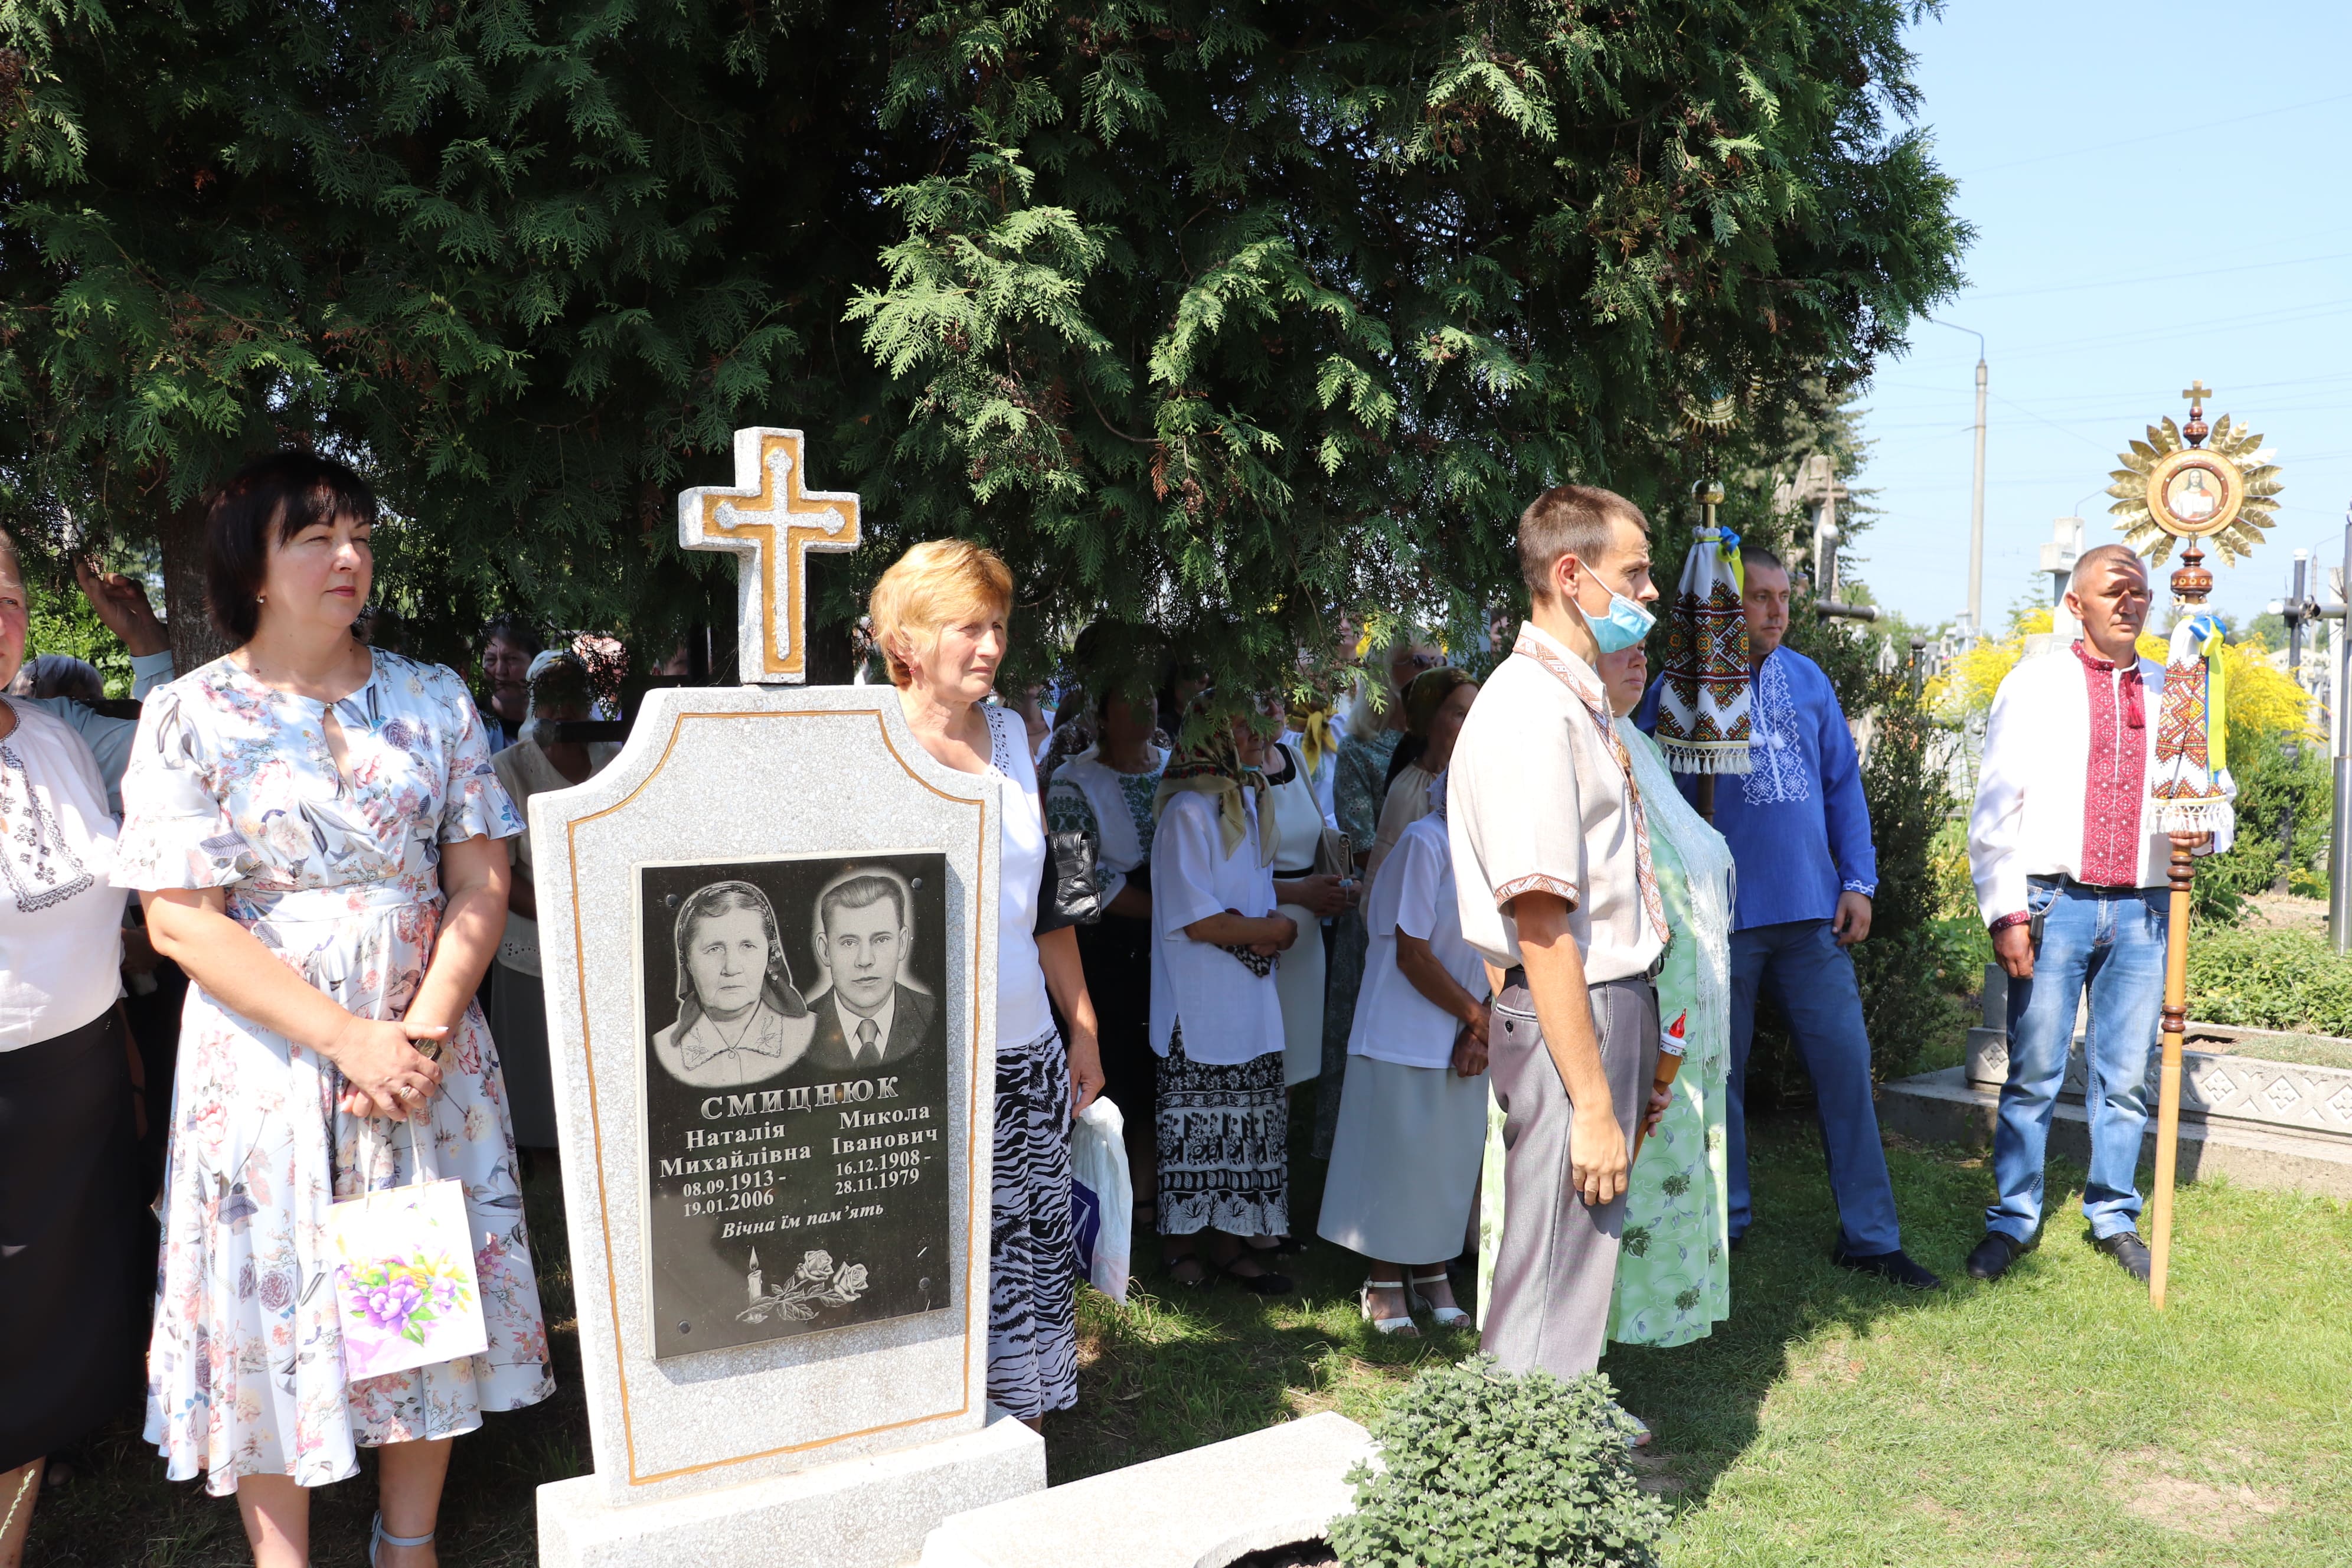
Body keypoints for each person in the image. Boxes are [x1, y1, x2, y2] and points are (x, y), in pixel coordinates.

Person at [117, 452, 552, 1568]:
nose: (348, 556)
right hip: (268, 1063)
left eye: (358, 534)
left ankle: (408, 1544)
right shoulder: (189, 714)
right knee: (271, 1303)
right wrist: (349, 1039)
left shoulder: (433, 697)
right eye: (314, 537)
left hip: (419, 1059)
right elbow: (181, 924)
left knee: (412, 1289)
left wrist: (418, 1035)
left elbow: (480, 877)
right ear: (252, 567)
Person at [1635, 546, 1939, 1289]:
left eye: (1783, 597)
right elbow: (1646, 789)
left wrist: (1858, 881)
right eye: (1759, 597)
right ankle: (1724, 1218)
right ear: (1725, 604)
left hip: (1811, 913)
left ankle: (1871, 1237)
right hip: (1720, 916)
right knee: (1720, 1073)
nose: (1776, 611)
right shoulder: (1681, 686)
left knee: (1845, 1068)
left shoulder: (1808, 680)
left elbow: (1843, 785)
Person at [868, 539, 1106, 1429]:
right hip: (917, 1063)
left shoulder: (1012, 735)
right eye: (968, 627)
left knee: (1028, 1249)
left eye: (998, 626)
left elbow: (1044, 904)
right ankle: (929, 1426)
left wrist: (1082, 1028)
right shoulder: (869, 739)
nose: (992, 645)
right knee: (934, 1250)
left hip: (1025, 1047)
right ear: (906, 639)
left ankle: (1021, 1417)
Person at [1448, 483, 1668, 1383]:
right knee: (1549, 1273)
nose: (1650, 593)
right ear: (1572, 576)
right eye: (1635, 573)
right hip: (1575, 1011)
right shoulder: (1531, 708)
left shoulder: (1570, 699)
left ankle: (1556, 1436)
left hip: (1596, 1007)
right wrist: (1592, 1104)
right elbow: (1540, 924)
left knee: (1573, 1264)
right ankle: (1522, 1455)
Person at [1964, 544, 2219, 1284]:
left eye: (2139, 591)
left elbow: (2210, 791)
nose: (2129, 602)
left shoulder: (2178, 688)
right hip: (2055, 902)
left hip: (2144, 910)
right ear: (2076, 604)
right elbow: (1995, 804)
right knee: (2035, 1069)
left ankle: (2113, 1214)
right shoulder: (2034, 684)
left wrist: (2207, 824)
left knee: (2126, 1075)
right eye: (2113, 591)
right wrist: (2005, 911)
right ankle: (2013, 1218)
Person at [0, 528, 142, 1568]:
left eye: (6, 596)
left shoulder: (55, 737)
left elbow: (189, 749)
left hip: (80, 1089)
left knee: (43, 1345)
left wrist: (147, 645)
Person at [1318, 766, 1489, 1336]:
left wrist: (1479, 1028)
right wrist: (1479, 1018)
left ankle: (1434, 1274)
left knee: (1445, 1161)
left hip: (1466, 1026)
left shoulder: (1499, 853)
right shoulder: (1425, 841)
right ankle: (1384, 1279)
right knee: (1396, 1160)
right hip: (1402, 1028)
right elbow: (1411, 954)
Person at [1599, 643, 1734, 1345]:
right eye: (1621, 647)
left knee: (1659, 1164)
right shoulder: (1584, 740)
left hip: (1673, 1000)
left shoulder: (1639, 744)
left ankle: (1642, 1319)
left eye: (1643, 649)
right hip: (1622, 996)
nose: (1640, 660)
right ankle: (1587, 1344)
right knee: (1616, 1164)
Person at [1150, 705, 1298, 1292]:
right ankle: (1180, 1247)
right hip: (1200, 1003)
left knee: (1246, 1122)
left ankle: (1232, 1244)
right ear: (1209, 735)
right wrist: (1275, 931)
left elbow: (1253, 897)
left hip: (1248, 992)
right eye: (1241, 724)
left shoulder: (1249, 801)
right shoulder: (1188, 810)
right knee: (1195, 1126)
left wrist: (1271, 930)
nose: (1259, 735)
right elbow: (1198, 919)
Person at [1314, 636, 1441, 1154]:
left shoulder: (1453, 747)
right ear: (1387, 675)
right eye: (1419, 662)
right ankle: (1351, 1160)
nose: (1431, 670)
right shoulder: (1361, 749)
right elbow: (1363, 845)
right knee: (1364, 1037)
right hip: (1378, 914)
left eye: (1439, 661)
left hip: (1442, 917)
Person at [487, 651, 620, 1148]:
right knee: (535, 1057)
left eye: (573, 697)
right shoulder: (508, 769)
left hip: (605, 940)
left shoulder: (615, 762)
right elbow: (499, 873)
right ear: (534, 703)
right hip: (532, 941)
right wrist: (566, 914)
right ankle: (538, 1154)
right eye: (551, 698)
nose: (562, 711)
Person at [1045, 677, 1166, 1208]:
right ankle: (1111, 1203)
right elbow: (1078, 886)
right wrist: (1179, 914)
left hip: (1175, 945)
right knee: (1117, 1071)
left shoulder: (1175, 769)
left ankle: (1150, 1199)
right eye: (1129, 695)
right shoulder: (1073, 780)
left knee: (1159, 1071)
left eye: (1149, 693)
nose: (1145, 703)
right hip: (1108, 949)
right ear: (1101, 713)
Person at [1262, 703, 1353, 1089]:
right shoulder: (1236, 774)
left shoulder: (1293, 755)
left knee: (1294, 1072)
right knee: (1263, 1071)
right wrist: (1299, 892)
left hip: (1308, 938)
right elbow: (1228, 878)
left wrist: (1339, 886)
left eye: (1275, 696)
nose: (1274, 707)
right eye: (1261, 699)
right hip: (1262, 936)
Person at [649, 881, 815, 1089]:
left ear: (769, 955)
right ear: (687, 962)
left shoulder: (816, 1033)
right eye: (714, 949)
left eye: (748, 946)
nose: (732, 968)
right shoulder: (659, 1051)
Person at [804, 870, 936, 1072]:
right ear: (825, 950)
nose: (865, 960)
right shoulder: (794, 1031)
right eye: (849, 943)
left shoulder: (934, 1016)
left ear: (902, 944)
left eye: (881, 940)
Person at [1365, 667, 1478, 883]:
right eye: (1460, 714)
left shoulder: (1477, 779)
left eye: (1475, 713)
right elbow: (1393, 883)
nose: (1471, 724)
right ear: (1429, 719)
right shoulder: (1409, 791)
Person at [476, 613, 541, 754]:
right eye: (491, 660)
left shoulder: (555, 719)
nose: (500, 671)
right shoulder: (470, 720)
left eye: (511, 659)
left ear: (535, 664)